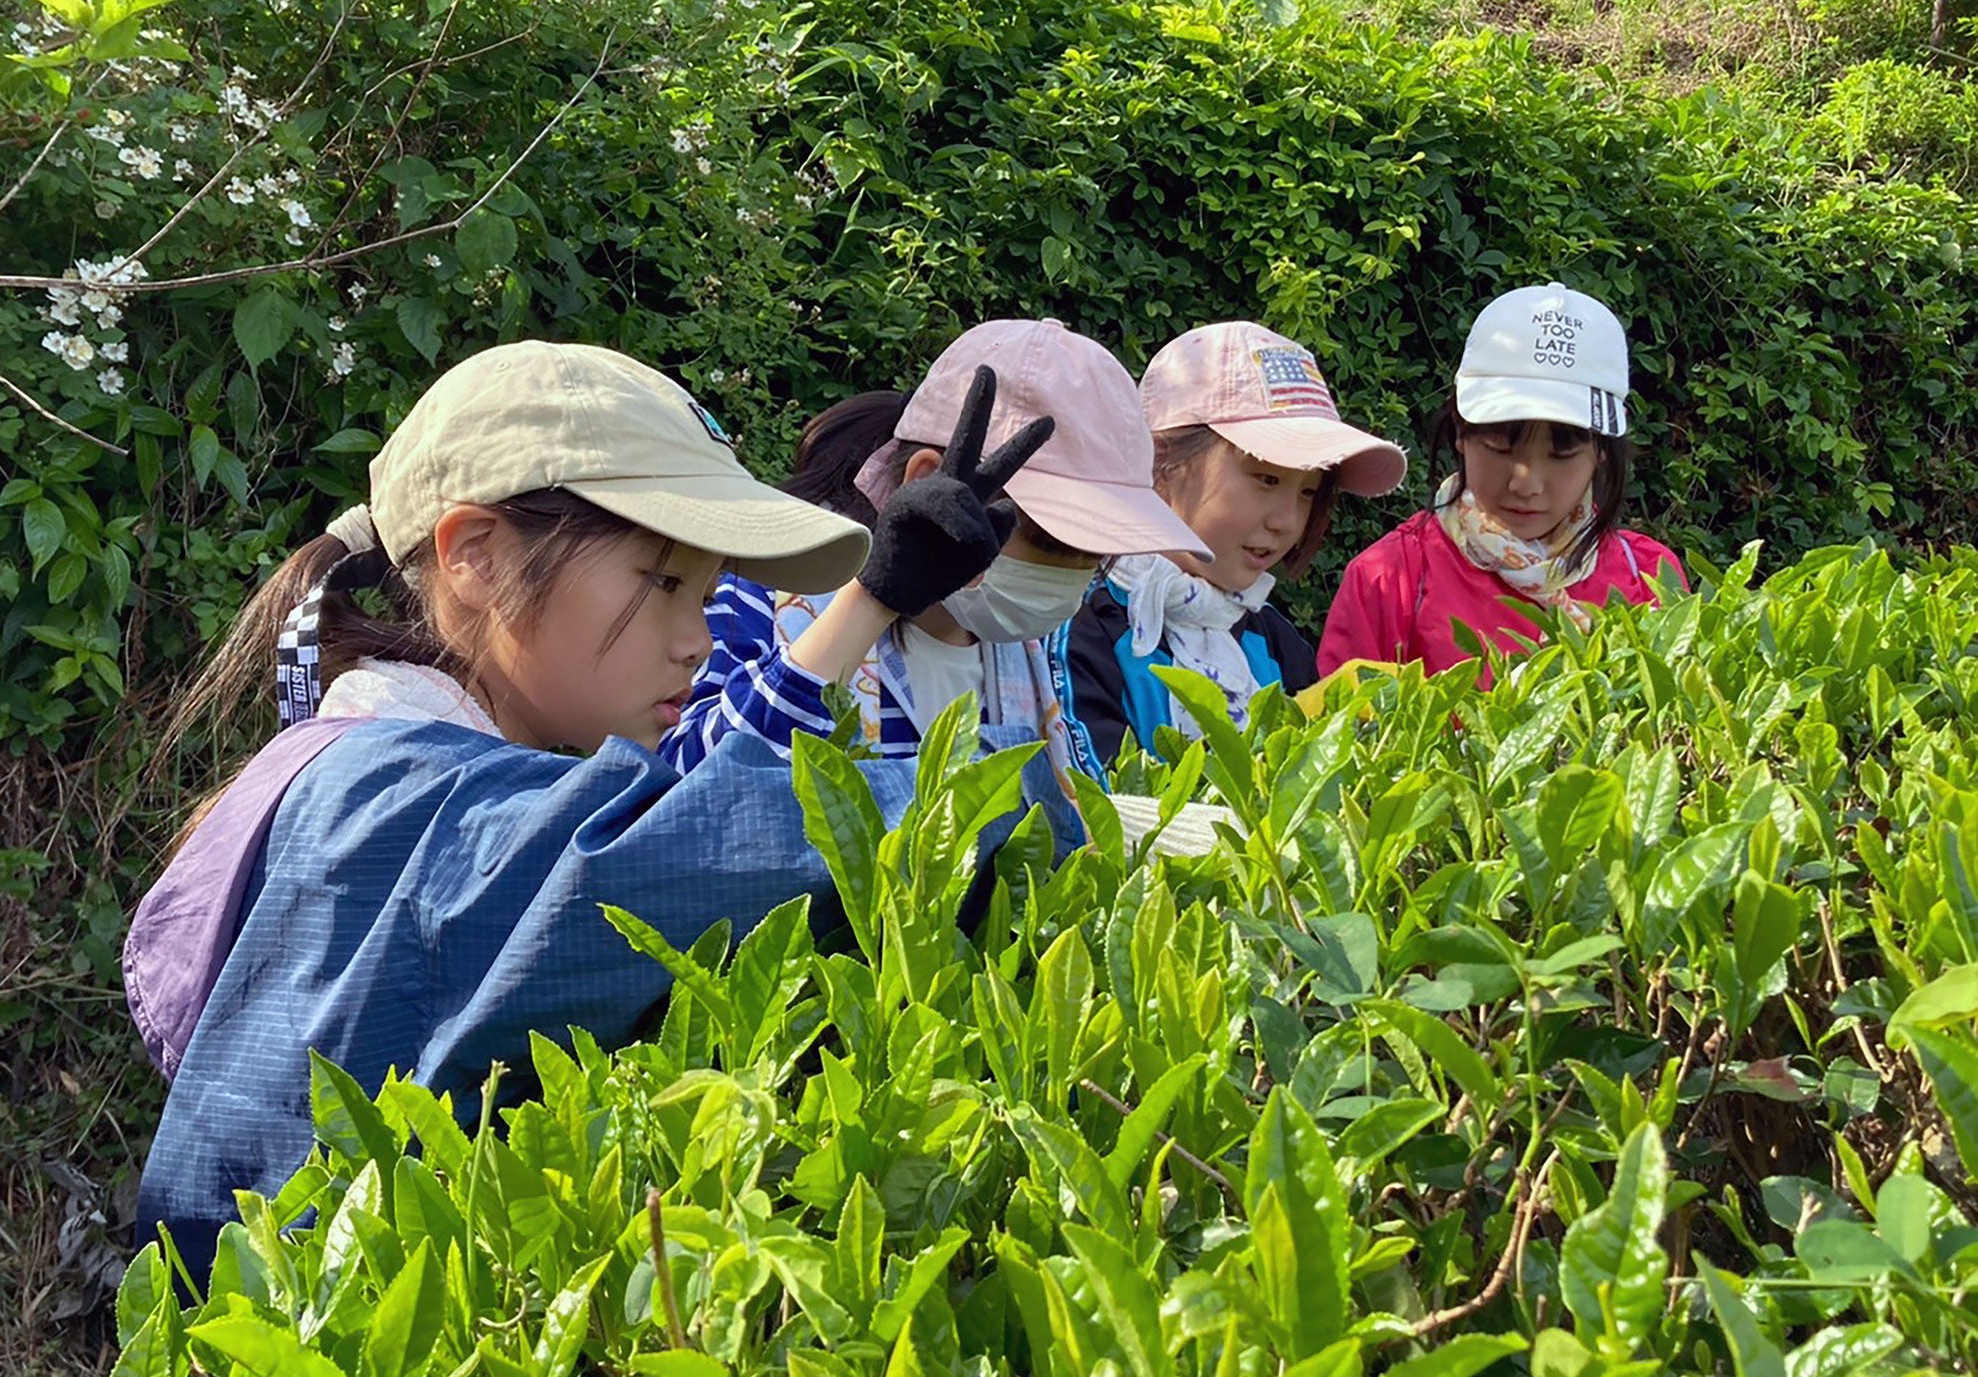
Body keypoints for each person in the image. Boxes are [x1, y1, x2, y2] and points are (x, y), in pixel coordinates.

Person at [123, 341, 1042, 1275]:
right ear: (475, 556)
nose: (697, 641)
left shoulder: (394, 763)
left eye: (713, 591)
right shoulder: (395, 797)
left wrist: (871, 601)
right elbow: (675, 858)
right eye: (662, 582)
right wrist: (1009, 802)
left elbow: (674, 818)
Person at [660, 318, 1209, 776]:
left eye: (1097, 551)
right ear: (926, 482)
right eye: (1051, 539)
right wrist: (869, 602)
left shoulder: (1020, 654)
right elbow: (681, 798)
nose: (1072, 573)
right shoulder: (769, 593)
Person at [1048, 322, 1405, 776]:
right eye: (1267, 479)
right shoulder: (1082, 630)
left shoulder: (1274, 642)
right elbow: (1102, 820)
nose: (1286, 522)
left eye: (1308, 492)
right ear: (1160, 463)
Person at [1318, 283, 1684, 679]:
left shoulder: (1649, 576)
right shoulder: (1390, 580)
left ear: (1599, 451)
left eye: (1562, 453)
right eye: (1500, 444)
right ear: (1461, 431)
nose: (1526, 483)